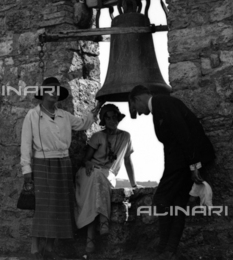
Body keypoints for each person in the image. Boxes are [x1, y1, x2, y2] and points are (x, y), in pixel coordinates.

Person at [128, 85, 215, 260]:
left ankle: (164, 249)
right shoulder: (161, 105)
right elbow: (174, 141)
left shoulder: (162, 104)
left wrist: (194, 165)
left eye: (134, 108)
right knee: (177, 204)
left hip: (184, 163)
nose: (138, 112)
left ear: (137, 99)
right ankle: (168, 251)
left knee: (161, 200)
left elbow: (183, 133)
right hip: (183, 162)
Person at [20, 77, 102, 260]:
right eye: (50, 89)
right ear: (43, 93)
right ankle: (35, 249)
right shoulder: (32, 115)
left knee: (60, 207)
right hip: (42, 163)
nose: (54, 93)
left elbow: (83, 124)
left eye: (57, 90)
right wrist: (27, 171)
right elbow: (25, 145)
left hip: (63, 162)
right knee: (43, 208)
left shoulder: (64, 116)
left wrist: (95, 111)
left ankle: (49, 248)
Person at [75, 104, 140, 258]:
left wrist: (133, 184)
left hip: (107, 175)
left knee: (96, 189)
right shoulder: (98, 137)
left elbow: (127, 161)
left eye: (115, 117)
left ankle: (90, 243)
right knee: (97, 176)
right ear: (104, 120)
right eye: (108, 117)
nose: (112, 120)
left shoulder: (126, 137)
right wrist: (89, 163)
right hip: (88, 173)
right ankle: (103, 221)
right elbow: (86, 160)